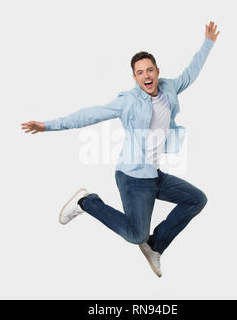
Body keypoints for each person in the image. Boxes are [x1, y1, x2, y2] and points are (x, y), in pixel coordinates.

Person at [21, 21, 220, 277]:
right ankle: (87, 202)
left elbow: (191, 72)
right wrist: (48, 126)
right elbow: (89, 115)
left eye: (150, 70)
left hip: (154, 175)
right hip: (132, 177)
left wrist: (208, 43)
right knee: (136, 234)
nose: (146, 76)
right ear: (135, 77)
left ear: (157, 71)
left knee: (196, 199)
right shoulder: (128, 101)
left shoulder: (169, 88)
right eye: (140, 72)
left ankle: (155, 246)